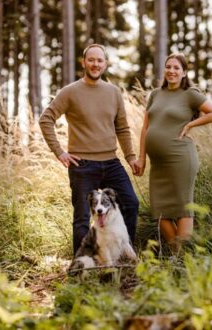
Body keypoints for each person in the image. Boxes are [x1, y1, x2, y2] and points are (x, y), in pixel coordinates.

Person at [39, 44, 139, 254]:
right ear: (83, 62)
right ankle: (82, 266)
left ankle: (122, 255)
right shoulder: (70, 92)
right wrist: (59, 151)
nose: (95, 64)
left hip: (111, 162)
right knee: (82, 218)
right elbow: (46, 119)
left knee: (130, 203)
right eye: (91, 60)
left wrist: (130, 157)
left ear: (105, 64)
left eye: (99, 60)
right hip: (82, 165)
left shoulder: (113, 92)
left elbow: (122, 127)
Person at [135, 53, 212, 253]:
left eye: (176, 68)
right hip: (157, 164)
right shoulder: (155, 95)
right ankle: (181, 255)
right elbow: (145, 128)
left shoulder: (189, 94)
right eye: (168, 67)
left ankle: (182, 259)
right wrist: (141, 158)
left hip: (180, 158)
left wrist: (191, 124)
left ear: (184, 72)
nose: (171, 71)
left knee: (183, 207)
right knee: (159, 211)